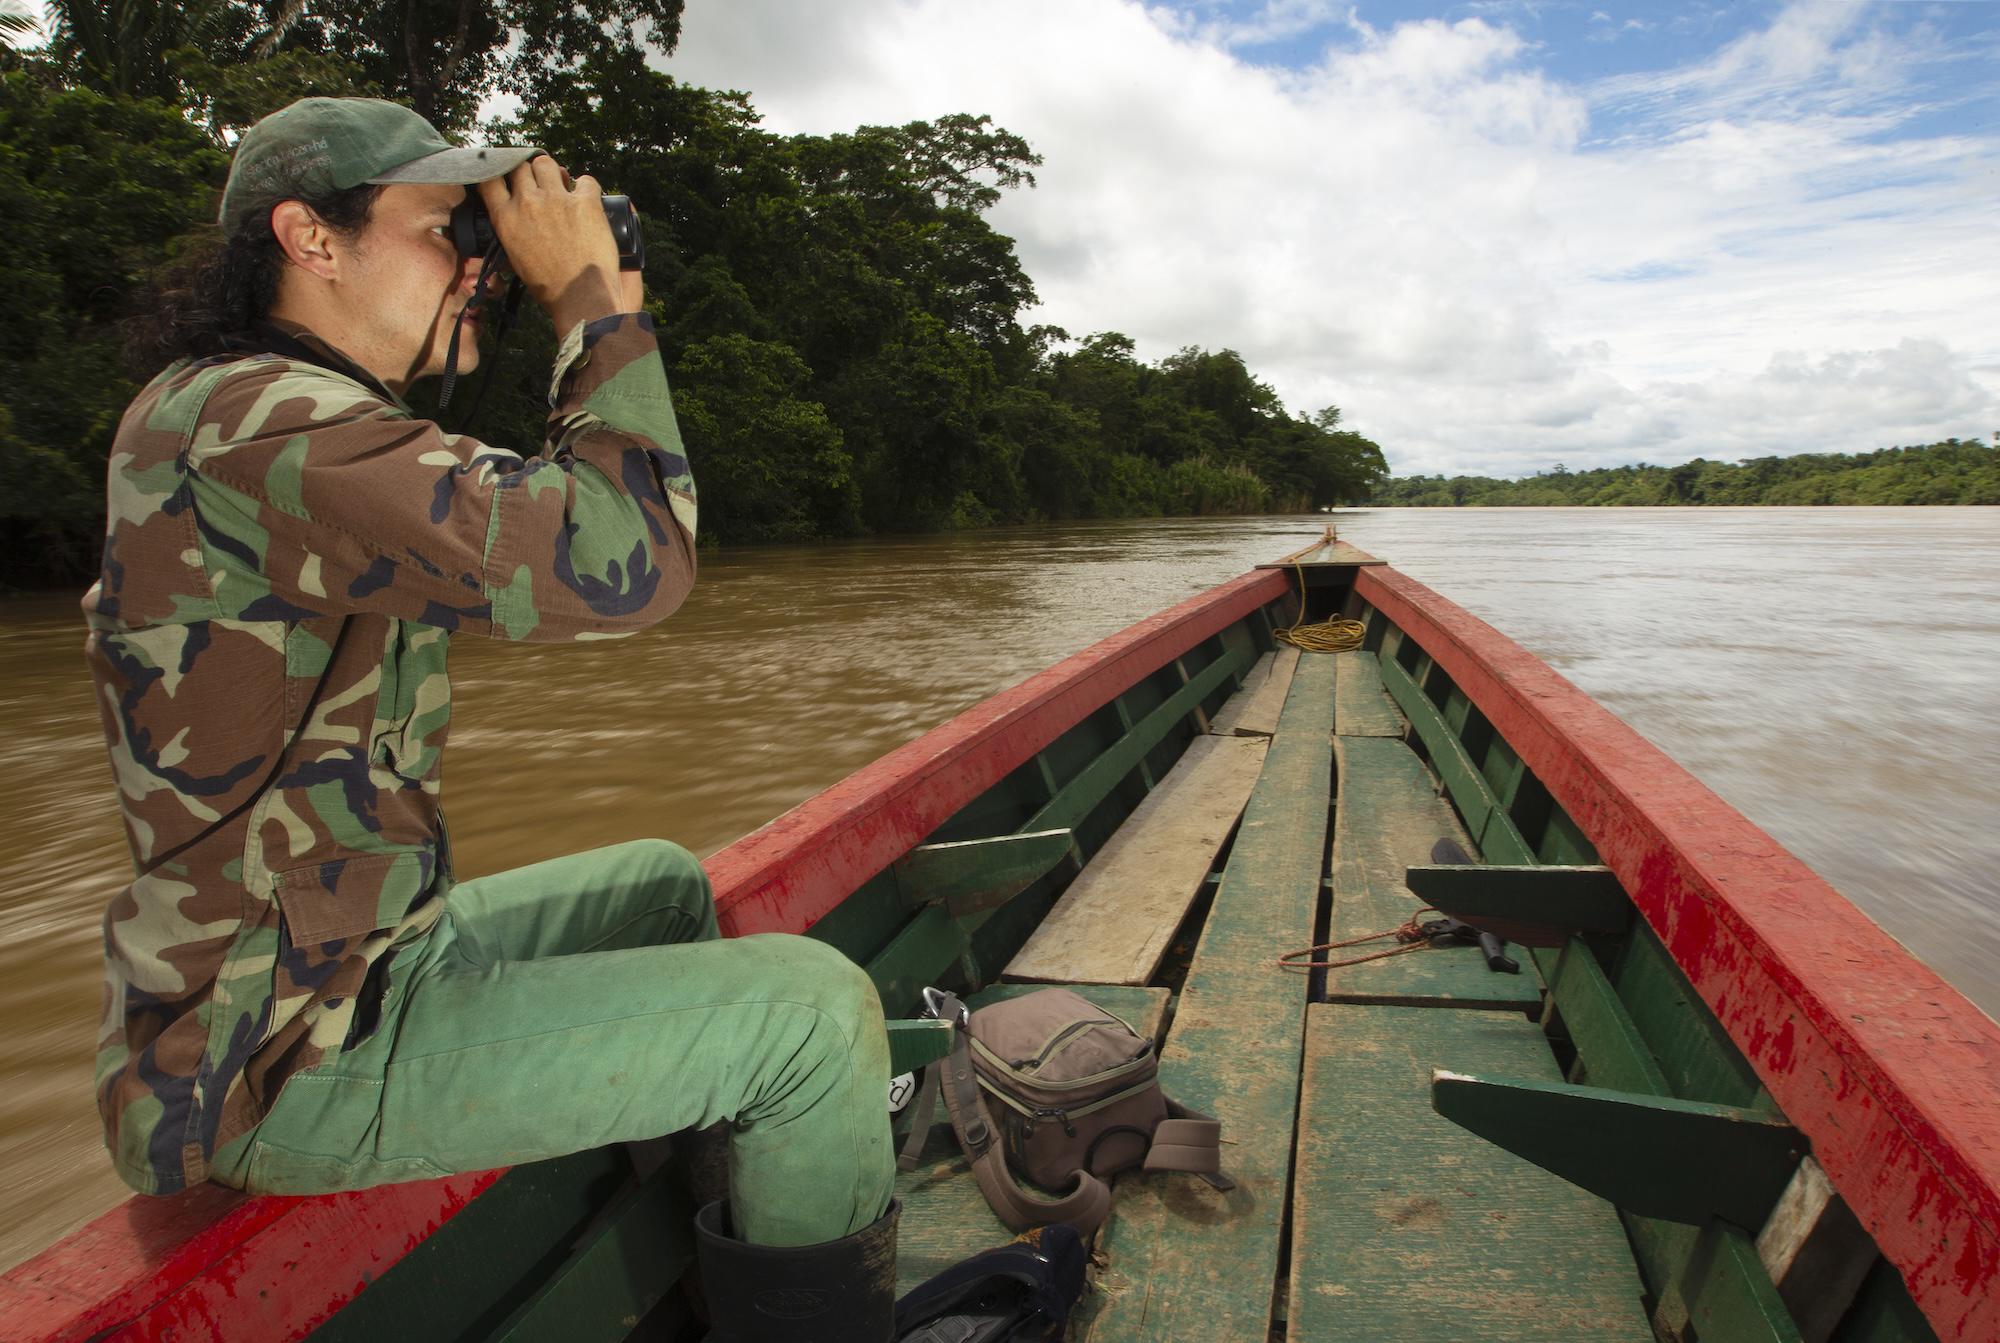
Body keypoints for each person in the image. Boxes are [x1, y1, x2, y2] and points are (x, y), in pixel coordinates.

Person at [83, 97, 897, 1340]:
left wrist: (595, 301)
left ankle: (738, 1232)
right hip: (275, 1045)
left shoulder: (300, 417)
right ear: (312, 238)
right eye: (443, 229)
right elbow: (624, 560)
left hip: (363, 951)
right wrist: (586, 304)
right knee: (812, 1014)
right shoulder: (252, 420)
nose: (475, 264)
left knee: (659, 884)